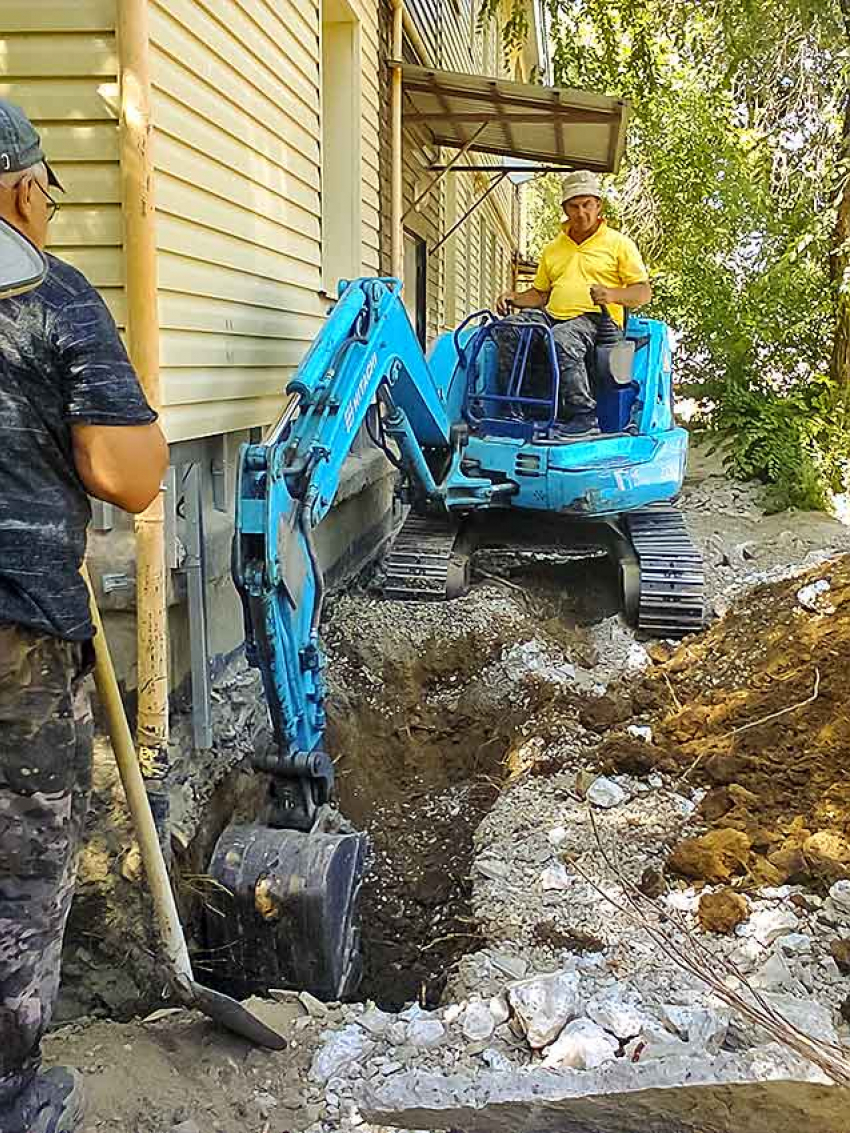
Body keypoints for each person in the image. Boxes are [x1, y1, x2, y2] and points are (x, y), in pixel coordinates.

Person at [0, 99, 168, 1133]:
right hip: (17, 632)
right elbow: (130, 474)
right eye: (47, 199)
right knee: (19, 871)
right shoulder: (46, 296)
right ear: (24, 190)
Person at [494, 169, 652, 437]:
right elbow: (541, 294)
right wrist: (515, 298)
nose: (581, 213)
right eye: (574, 206)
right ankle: (517, 407)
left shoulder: (618, 244)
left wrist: (612, 295)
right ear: (565, 209)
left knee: (561, 339)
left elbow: (642, 292)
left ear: (598, 205)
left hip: (596, 320)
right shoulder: (553, 249)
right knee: (508, 328)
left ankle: (584, 415)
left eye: (587, 205)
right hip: (553, 314)